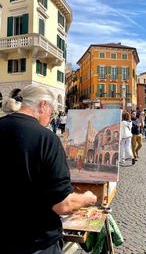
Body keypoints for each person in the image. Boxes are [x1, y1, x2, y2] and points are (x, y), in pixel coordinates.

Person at [1, 84, 97, 254]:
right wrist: (87, 198)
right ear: (43, 105)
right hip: (36, 242)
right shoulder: (47, 138)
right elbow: (62, 204)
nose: (51, 117)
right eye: (52, 112)